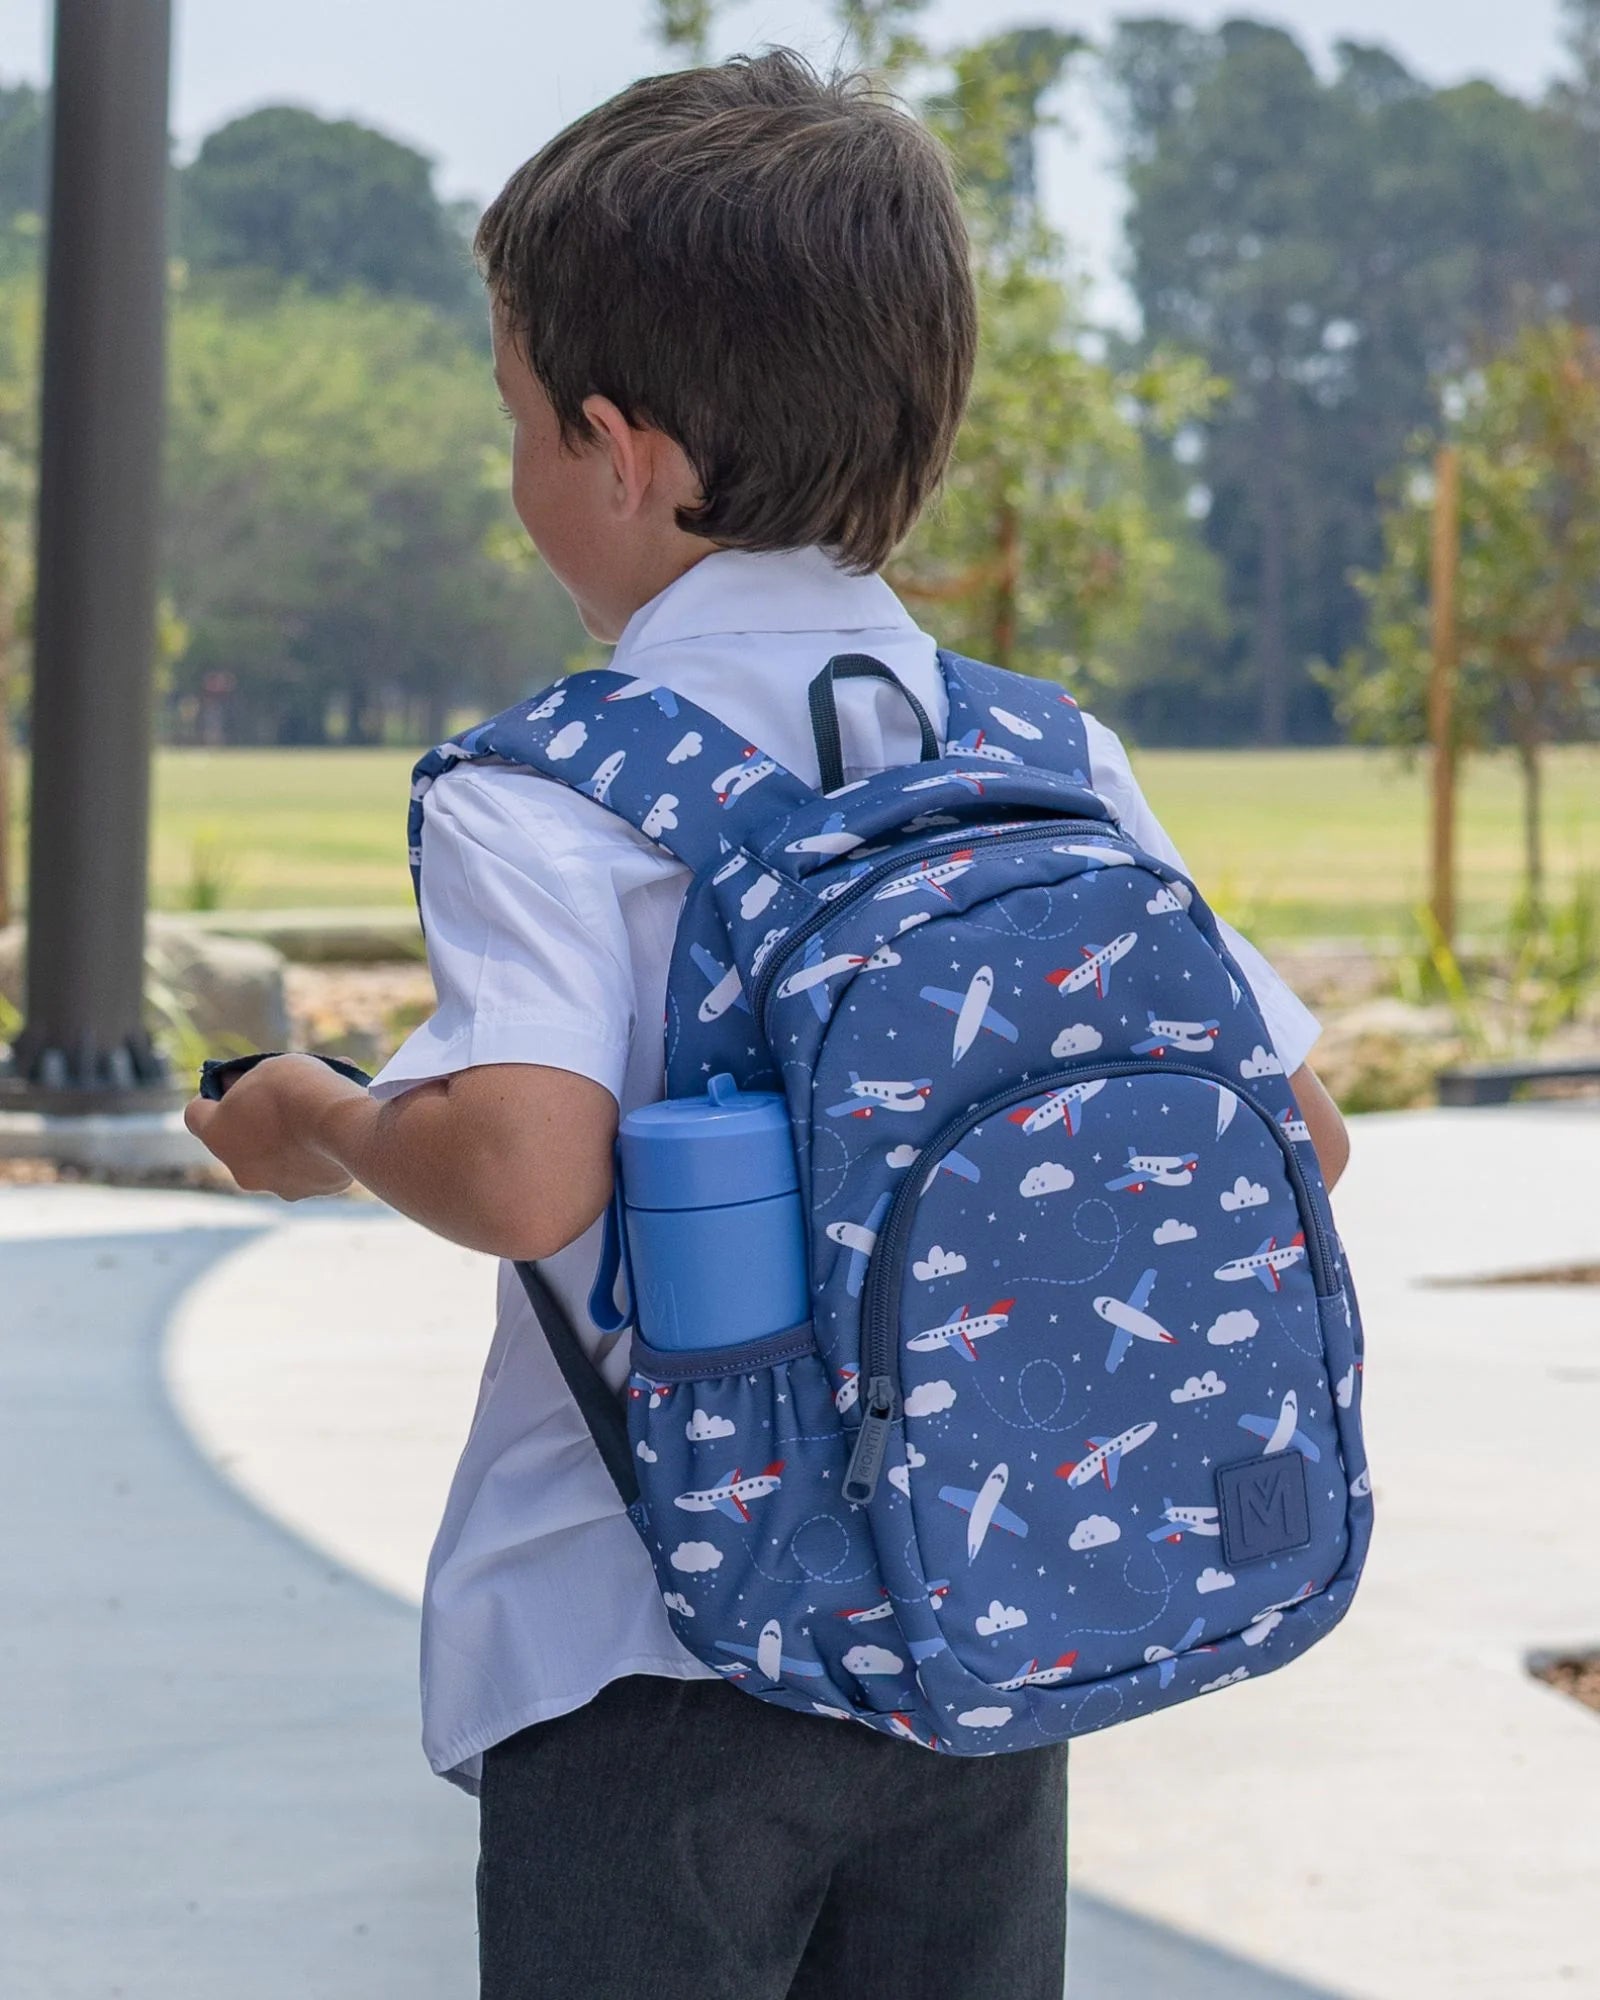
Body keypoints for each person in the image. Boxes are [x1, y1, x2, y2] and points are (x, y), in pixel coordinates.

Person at [186, 49, 1350, 2000]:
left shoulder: (546, 787)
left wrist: (321, 1113)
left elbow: (525, 1165)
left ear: (617, 452)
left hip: (646, 1645)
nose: (518, 479)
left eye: (516, 427)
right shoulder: (1044, 759)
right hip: (982, 1612)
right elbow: (1294, 1130)